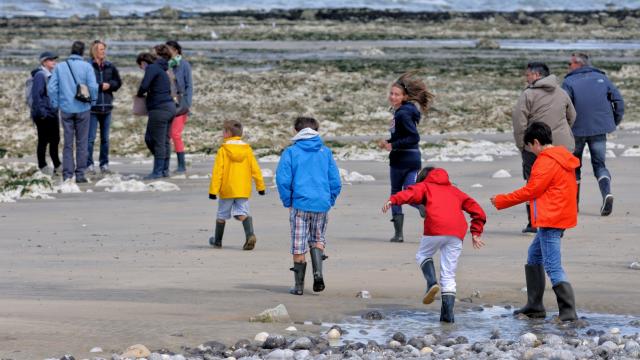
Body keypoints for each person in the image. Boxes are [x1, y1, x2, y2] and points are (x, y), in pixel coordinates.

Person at [491, 122, 579, 322]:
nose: (530, 151)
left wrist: (501, 200)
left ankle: (568, 312)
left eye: (530, 147)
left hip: (551, 218)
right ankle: (535, 305)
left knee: (553, 266)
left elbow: (531, 191)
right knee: (534, 256)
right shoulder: (562, 156)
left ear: (536, 142)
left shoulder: (545, 161)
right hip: (559, 215)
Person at [382, 166, 486, 323]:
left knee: (423, 254)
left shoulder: (424, 186)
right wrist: (476, 232)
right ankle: (447, 318)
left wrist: (393, 200)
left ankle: (431, 283)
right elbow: (477, 210)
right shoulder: (455, 190)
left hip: (435, 227)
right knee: (449, 275)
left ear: (423, 178)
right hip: (457, 232)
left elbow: (410, 193)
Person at [276, 117, 342, 296]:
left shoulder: (291, 152)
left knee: (298, 244)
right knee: (317, 239)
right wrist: (330, 199)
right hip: (321, 203)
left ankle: (298, 286)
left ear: (296, 131)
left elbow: (283, 180)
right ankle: (318, 273)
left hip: (300, 205)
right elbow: (335, 180)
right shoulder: (325, 152)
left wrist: (287, 201)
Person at [512, 62, 576, 233]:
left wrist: (522, 144)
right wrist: (563, 133)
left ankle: (534, 223)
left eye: (527, 75)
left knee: (533, 184)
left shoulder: (528, 94)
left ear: (537, 75)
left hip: (535, 147)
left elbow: (519, 122)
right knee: (560, 185)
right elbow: (572, 116)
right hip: (562, 147)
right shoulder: (562, 92)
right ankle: (559, 221)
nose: (526, 77)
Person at [562, 52, 624, 216]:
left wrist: (564, 127)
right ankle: (606, 194)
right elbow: (618, 101)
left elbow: (564, 106)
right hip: (599, 129)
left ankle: (573, 205)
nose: (568, 67)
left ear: (577, 64)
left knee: (574, 167)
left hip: (576, 130)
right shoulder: (603, 79)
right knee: (600, 165)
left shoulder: (568, 82)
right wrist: (613, 122)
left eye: (569, 64)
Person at [379, 72, 434, 243]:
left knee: (396, 193)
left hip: (402, 159)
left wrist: (393, 145)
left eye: (396, 94)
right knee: (410, 190)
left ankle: (399, 233)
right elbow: (404, 136)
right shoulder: (406, 112)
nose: (393, 97)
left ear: (405, 97)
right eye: (391, 93)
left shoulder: (402, 114)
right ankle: (421, 206)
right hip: (413, 158)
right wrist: (389, 142)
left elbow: (413, 137)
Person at [208, 120, 266, 250]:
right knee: (242, 213)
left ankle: (217, 241)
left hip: (227, 189)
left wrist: (213, 190)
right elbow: (255, 169)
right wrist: (260, 187)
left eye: (224, 131)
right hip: (243, 189)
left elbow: (218, 172)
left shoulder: (223, 150)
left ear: (228, 133)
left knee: (221, 215)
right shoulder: (247, 150)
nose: (223, 133)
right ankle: (250, 234)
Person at [48, 41, 98, 183]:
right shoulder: (87, 66)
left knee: (68, 143)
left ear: (71, 51)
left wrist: (55, 103)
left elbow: (52, 88)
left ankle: (68, 174)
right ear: (83, 52)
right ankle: (80, 174)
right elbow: (93, 87)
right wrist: (93, 101)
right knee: (82, 142)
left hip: (66, 108)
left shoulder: (60, 67)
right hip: (83, 108)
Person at [136, 50, 176, 179]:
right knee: (164, 141)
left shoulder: (152, 68)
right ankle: (164, 170)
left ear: (143, 63)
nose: (141, 69)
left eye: (140, 66)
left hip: (159, 108)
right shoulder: (161, 69)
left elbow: (144, 85)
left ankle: (158, 171)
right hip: (169, 107)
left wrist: (140, 94)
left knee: (153, 140)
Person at [87, 40, 122, 175]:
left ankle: (104, 164)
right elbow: (84, 84)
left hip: (107, 107)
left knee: (105, 139)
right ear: (95, 51)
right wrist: (100, 86)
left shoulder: (110, 66)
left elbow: (118, 82)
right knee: (90, 139)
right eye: (101, 49)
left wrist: (110, 85)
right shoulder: (88, 66)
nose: (104, 52)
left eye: (104, 49)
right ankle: (89, 165)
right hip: (92, 108)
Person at [30, 51, 61, 175]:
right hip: (43, 114)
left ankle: (57, 164)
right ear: (44, 62)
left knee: (55, 139)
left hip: (52, 113)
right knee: (43, 140)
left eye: (54, 59)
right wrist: (43, 113)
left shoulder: (51, 74)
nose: (54, 62)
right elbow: (36, 96)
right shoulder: (40, 75)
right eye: (51, 60)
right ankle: (42, 165)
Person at [166, 40, 193, 174]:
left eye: (169, 49)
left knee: (175, 134)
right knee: (166, 135)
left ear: (176, 50)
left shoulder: (184, 65)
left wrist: (187, 104)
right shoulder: (164, 65)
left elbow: (189, 86)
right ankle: (164, 164)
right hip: (166, 103)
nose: (167, 52)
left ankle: (182, 165)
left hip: (180, 103)